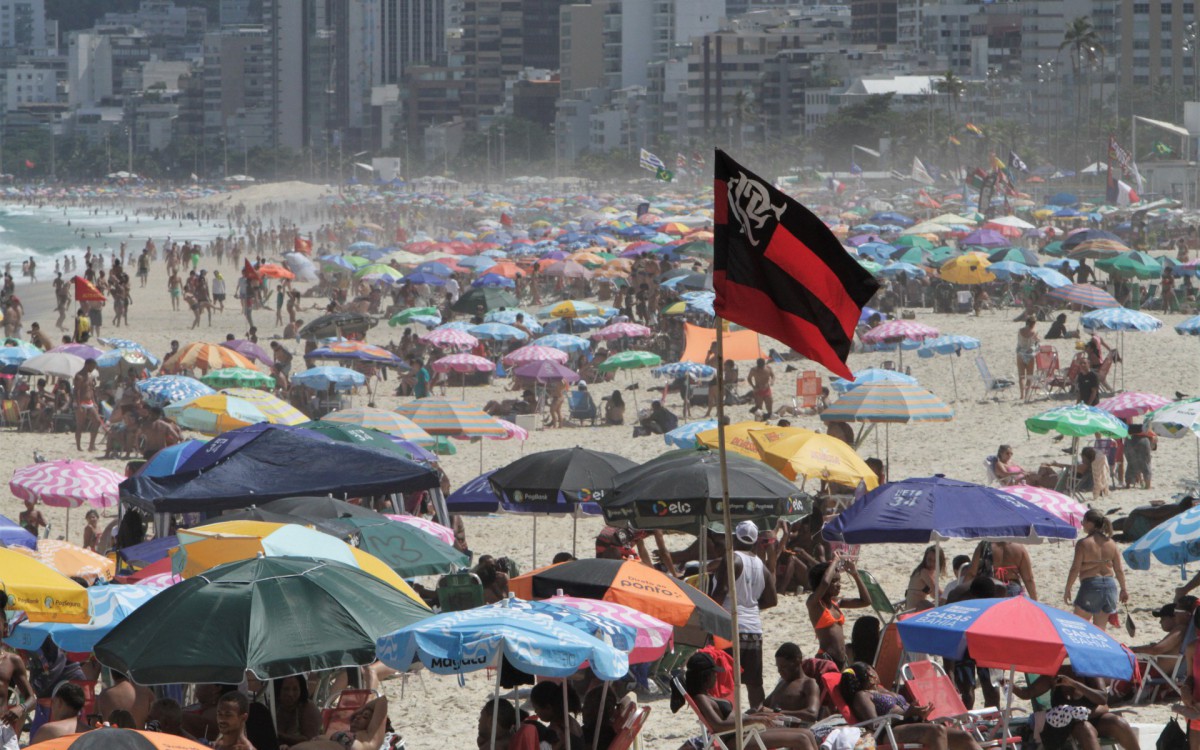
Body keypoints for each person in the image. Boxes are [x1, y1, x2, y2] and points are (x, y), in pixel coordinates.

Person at [682, 652, 817, 750]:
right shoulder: (701, 698)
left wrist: (757, 716)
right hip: (735, 739)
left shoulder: (705, 696)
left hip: (743, 732)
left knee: (807, 733)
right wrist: (752, 720)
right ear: (705, 676)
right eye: (714, 673)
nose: (716, 677)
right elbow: (718, 725)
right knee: (802, 739)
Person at [839, 662, 982, 750]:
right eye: (873, 669)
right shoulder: (862, 696)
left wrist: (918, 713)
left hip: (912, 725)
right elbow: (876, 724)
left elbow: (907, 711)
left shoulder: (885, 690)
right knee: (936, 731)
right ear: (869, 673)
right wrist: (906, 714)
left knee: (964, 736)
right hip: (890, 733)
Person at [712, 521, 778, 710]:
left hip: (729, 625)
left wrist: (705, 611)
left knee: (725, 678)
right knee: (754, 681)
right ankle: (759, 717)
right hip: (753, 628)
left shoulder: (732, 558)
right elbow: (772, 600)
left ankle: (727, 720)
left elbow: (721, 591)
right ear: (755, 541)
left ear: (734, 537)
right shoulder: (761, 566)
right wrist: (752, 607)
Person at [1011, 667, 1139, 750]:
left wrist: (1074, 684)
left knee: (1119, 722)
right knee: (1086, 729)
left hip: (1092, 715)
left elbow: (1102, 698)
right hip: (1068, 723)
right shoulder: (1054, 675)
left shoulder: (1090, 671)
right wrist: (1010, 685)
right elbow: (1027, 693)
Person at [1065, 509, 1128, 630]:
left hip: (1091, 586)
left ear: (1090, 523)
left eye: (1083, 521)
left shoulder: (1083, 543)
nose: (1082, 524)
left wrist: (1068, 588)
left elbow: (1075, 569)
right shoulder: (1111, 543)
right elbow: (1119, 570)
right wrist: (1123, 589)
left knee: (1079, 627)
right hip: (1110, 586)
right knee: (1100, 630)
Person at [805, 554, 870, 668]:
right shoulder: (814, 603)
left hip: (842, 660)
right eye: (834, 581)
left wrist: (855, 574)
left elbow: (866, 601)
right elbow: (825, 582)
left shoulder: (836, 603)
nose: (838, 585)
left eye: (839, 581)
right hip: (826, 659)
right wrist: (834, 561)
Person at [289, 696, 390, 750]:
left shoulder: (369, 741)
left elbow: (381, 701)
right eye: (360, 715)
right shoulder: (347, 733)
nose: (359, 717)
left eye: (365, 717)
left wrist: (359, 710)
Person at [0, 615, 37, 750]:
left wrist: (21, 708)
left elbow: (31, 699)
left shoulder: (12, 661)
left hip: (2, 728)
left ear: (5, 628)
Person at [762, 643, 820, 723]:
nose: (779, 671)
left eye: (783, 667)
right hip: (772, 726)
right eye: (778, 667)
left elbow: (812, 714)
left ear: (797, 661)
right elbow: (764, 706)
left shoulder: (808, 683)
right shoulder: (782, 683)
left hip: (792, 729)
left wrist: (777, 713)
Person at [968, 540, 1038, 599]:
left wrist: (963, 590)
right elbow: (1028, 579)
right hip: (1013, 589)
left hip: (991, 589)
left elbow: (972, 573)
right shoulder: (1019, 547)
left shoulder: (984, 546)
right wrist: (1034, 600)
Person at [528, 681, 581, 750]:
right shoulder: (571, 721)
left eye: (536, 708)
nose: (535, 712)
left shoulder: (554, 732)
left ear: (548, 707)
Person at [477, 698, 545, 750]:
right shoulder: (513, 738)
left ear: (491, 721)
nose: (479, 720)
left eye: (482, 716)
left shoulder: (492, 747)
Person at [273, 676, 320, 747]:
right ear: (278, 689)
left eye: (295, 689)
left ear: (301, 690)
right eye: (286, 689)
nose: (290, 694)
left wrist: (280, 735)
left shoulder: (308, 707)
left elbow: (310, 740)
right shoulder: (274, 705)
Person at [73, 358, 102, 451]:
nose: (93, 368)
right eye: (93, 366)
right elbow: (76, 391)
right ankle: (78, 446)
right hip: (81, 402)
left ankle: (91, 445)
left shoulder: (89, 376)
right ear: (87, 365)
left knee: (97, 422)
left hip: (89, 402)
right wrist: (78, 405)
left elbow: (91, 390)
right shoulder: (79, 376)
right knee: (80, 425)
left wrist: (94, 402)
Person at [904, 545, 945, 611]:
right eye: (929, 559)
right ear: (925, 558)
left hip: (915, 607)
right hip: (913, 610)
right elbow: (937, 593)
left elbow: (933, 594)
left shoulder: (931, 572)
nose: (931, 563)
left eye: (934, 561)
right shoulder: (924, 572)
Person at [1124, 423, 1157, 489]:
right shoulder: (1147, 431)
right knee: (1145, 464)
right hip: (1143, 442)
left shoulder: (1127, 431)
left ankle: (1128, 484)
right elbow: (1153, 440)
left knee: (1131, 463)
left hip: (1129, 441)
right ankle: (1148, 485)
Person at [1016, 317, 1039, 400]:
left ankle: (1021, 395)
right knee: (1029, 376)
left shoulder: (1020, 330)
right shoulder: (1034, 332)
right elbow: (1036, 342)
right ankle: (1026, 395)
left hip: (1020, 353)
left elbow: (1019, 341)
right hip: (1029, 355)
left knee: (1021, 376)